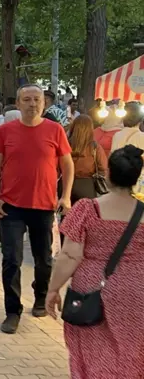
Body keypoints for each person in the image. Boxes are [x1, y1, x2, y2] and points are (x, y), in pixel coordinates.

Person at [45, 145, 144, 378]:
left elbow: (70, 255)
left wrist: (53, 289)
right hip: (136, 291)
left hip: (91, 289)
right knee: (131, 350)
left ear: (108, 173)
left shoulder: (88, 209)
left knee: (91, 350)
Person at [0, 84, 73, 334]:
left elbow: (68, 166)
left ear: (44, 103)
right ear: (18, 103)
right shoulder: (5, 131)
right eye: (27, 99)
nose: (32, 104)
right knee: (12, 260)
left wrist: (65, 196)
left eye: (37, 99)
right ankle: (12, 311)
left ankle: (40, 296)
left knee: (44, 259)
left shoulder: (55, 130)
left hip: (44, 205)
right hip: (10, 206)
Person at [68, 115, 108, 204]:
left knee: (66, 216)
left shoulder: (65, 144)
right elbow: (103, 168)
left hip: (65, 185)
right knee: (85, 215)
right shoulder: (94, 147)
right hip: (87, 186)